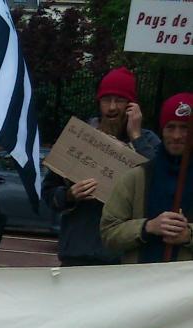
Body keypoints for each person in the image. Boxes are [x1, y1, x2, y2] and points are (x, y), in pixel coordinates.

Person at [43, 67, 161, 266]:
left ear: (132, 106)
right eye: (107, 100)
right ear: (99, 103)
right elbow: (48, 194)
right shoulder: (80, 137)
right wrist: (69, 195)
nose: (112, 107)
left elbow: (160, 185)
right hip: (77, 256)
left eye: (120, 100)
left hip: (121, 261)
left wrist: (136, 137)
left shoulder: (148, 142)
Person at [101, 93, 193, 263]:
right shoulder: (135, 178)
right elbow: (108, 233)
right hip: (140, 285)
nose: (177, 136)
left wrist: (189, 235)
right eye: (170, 127)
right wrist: (147, 227)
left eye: (185, 127)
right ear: (162, 130)